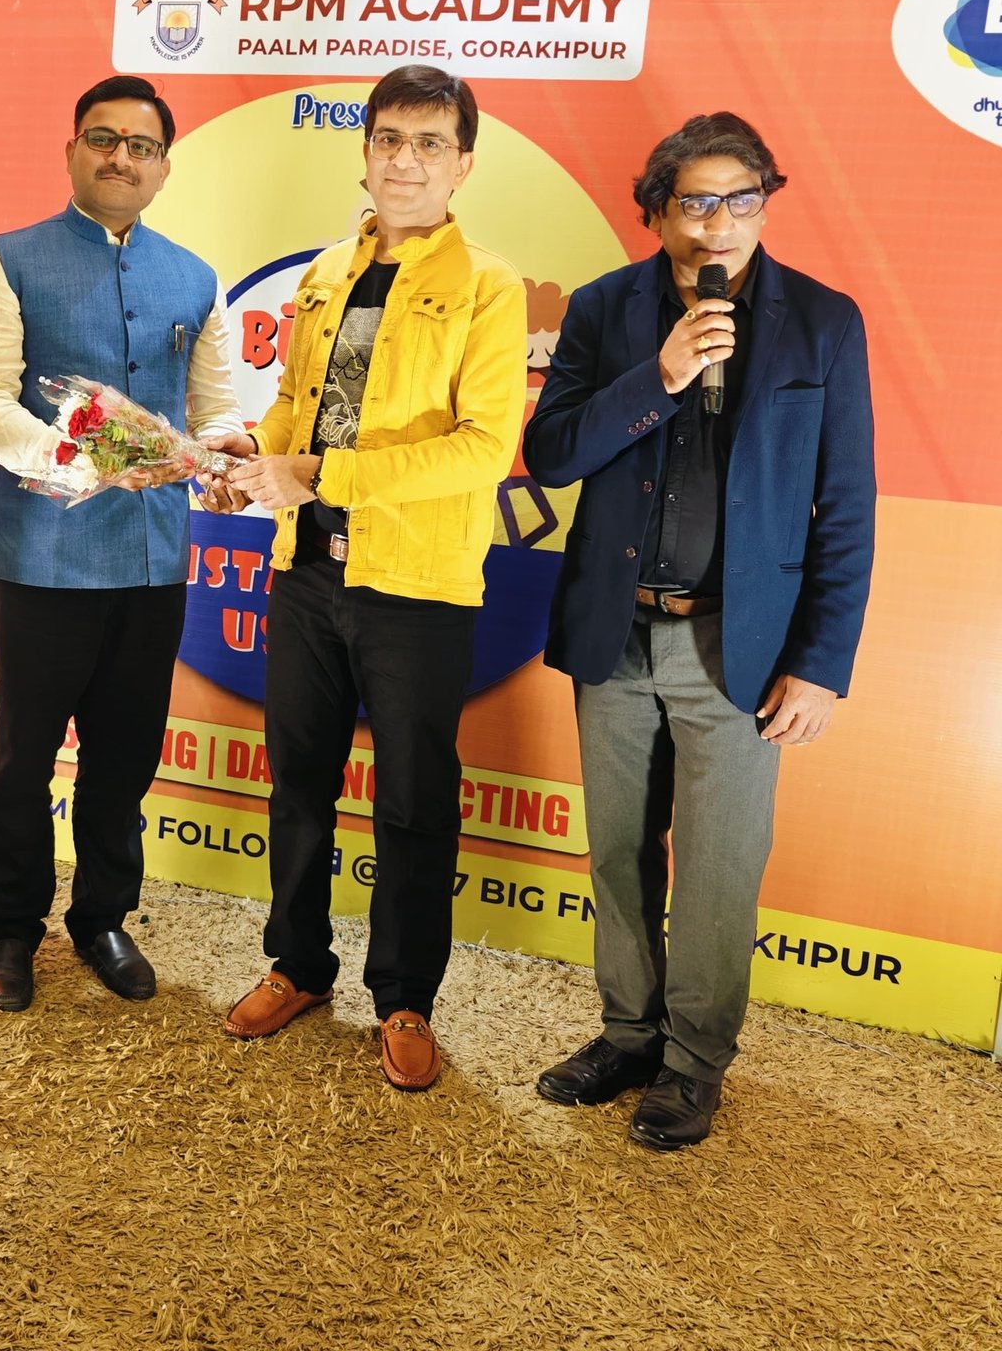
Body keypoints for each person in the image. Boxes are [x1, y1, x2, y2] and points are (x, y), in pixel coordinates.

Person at [524, 112, 875, 1148]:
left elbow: (846, 505)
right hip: (615, 634)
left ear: (765, 204)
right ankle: (628, 1035)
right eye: (697, 201)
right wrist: (662, 375)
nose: (720, 223)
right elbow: (552, 454)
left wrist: (820, 664)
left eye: (742, 200)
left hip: (742, 647)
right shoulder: (604, 309)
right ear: (656, 211)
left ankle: (691, 1064)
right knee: (617, 853)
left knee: (718, 870)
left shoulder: (824, 322)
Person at [208, 65, 527, 1091]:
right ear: (365, 152)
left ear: (463, 164)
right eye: (389, 138)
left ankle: (404, 996)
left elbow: (482, 449)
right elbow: (296, 407)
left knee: (414, 803)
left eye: (430, 143)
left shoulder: (489, 286)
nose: (406, 160)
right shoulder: (325, 273)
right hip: (305, 571)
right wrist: (253, 456)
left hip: (417, 586)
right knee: (298, 784)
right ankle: (298, 964)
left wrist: (317, 473)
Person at [0, 75, 244, 1012]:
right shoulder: (4, 261)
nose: (122, 158)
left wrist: (226, 449)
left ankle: (103, 917)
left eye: (141, 145)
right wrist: (86, 456)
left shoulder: (195, 278)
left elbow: (213, 406)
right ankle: (10, 928)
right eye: (103, 139)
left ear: (163, 166)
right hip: (39, 559)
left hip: (154, 563)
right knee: (23, 756)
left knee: (125, 757)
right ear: (72, 150)